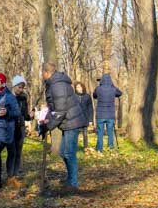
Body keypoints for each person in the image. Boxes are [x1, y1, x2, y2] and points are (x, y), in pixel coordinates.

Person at [43, 63, 87, 191]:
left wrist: (49, 125)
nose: (42, 75)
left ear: (46, 73)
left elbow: (60, 111)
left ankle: (73, 183)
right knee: (63, 152)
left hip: (72, 122)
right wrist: (46, 119)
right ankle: (70, 179)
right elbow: (54, 107)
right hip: (67, 122)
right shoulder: (54, 83)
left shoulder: (58, 85)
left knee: (69, 153)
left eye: (42, 73)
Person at [8, 75, 30, 177]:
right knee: (11, 152)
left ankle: (15, 174)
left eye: (22, 87)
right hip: (10, 126)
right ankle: (10, 174)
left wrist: (30, 116)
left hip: (20, 126)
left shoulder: (23, 97)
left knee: (18, 152)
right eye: (19, 87)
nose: (20, 90)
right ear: (14, 86)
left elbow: (25, 114)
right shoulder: (8, 96)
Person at [93, 71, 121, 151]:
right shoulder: (113, 89)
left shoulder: (98, 88)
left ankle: (99, 148)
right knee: (110, 132)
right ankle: (110, 147)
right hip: (110, 115)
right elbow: (120, 93)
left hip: (100, 115)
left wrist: (100, 86)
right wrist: (112, 85)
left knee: (100, 132)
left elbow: (94, 96)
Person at [74, 81, 93, 151]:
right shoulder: (73, 96)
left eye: (79, 87)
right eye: (77, 87)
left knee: (85, 134)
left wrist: (90, 120)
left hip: (85, 118)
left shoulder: (87, 96)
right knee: (75, 134)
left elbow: (90, 108)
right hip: (76, 119)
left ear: (82, 87)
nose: (78, 88)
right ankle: (74, 148)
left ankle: (85, 148)